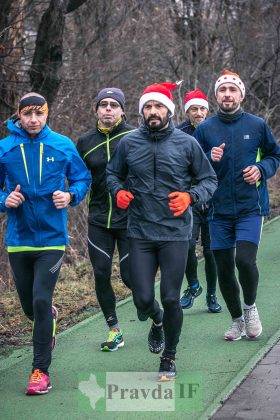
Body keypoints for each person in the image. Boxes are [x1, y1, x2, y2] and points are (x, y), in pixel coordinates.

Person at [107, 82, 217, 380]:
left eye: (158, 106)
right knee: (142, 297)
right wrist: (117, 191)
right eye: (147, 107)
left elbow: (209, 180)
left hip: (175, 233)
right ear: (141, 111)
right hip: (140, 231)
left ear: (168, 110)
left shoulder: (186, 143)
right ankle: (156, 322)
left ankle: (169, 356)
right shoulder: (129, 143)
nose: (152, 111)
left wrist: (190, 197)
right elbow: (112, 173)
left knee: (170, 297)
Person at [0, 93, 91, 395]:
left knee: (40, 300)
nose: (34, 120)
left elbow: (82, 178)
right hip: (19, 240)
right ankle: (47, 318)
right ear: (19, 116)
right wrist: (4, 200)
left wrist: (70, 196)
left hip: (52, 238)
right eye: (28, 114)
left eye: (39, 114)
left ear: (47, 114)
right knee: (30, 307)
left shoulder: (63, 145)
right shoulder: (5, 148)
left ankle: (40, 370)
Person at [195, 69, 280, 341]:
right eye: (223, 90)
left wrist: (261, 168)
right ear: (216, 95)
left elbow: (274, 155)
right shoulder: (205, 129)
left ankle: (250, 307)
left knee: (244, 260)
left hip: (249, 207)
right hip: (217, 211)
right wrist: (209, 156)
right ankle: (236, 321)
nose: (228, 94)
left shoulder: (256, 125)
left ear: (241, 94)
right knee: (223, 268)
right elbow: (191, 165)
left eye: (233, 90)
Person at [77, 88, 135, 352]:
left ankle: (156, 316)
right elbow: (77, 177)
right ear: (96, 110)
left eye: (114, 105)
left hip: (130, 219)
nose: (108, 109)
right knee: (101, 274)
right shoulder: (85, 142)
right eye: (104, 105)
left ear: (123, 110)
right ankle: (114, 329)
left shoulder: (134, 137)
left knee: (130, 277)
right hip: (99, 219)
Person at [177, 89, 222, 313]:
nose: (198, 113)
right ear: (187, 112)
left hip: (213, 199)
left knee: (211, 249)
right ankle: (193, 285)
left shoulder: (216, 129)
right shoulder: (177, 133)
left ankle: (212, 295)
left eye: (202, 108)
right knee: (186, 245)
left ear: (208, 109)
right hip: (189, 199)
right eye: (194, 109)